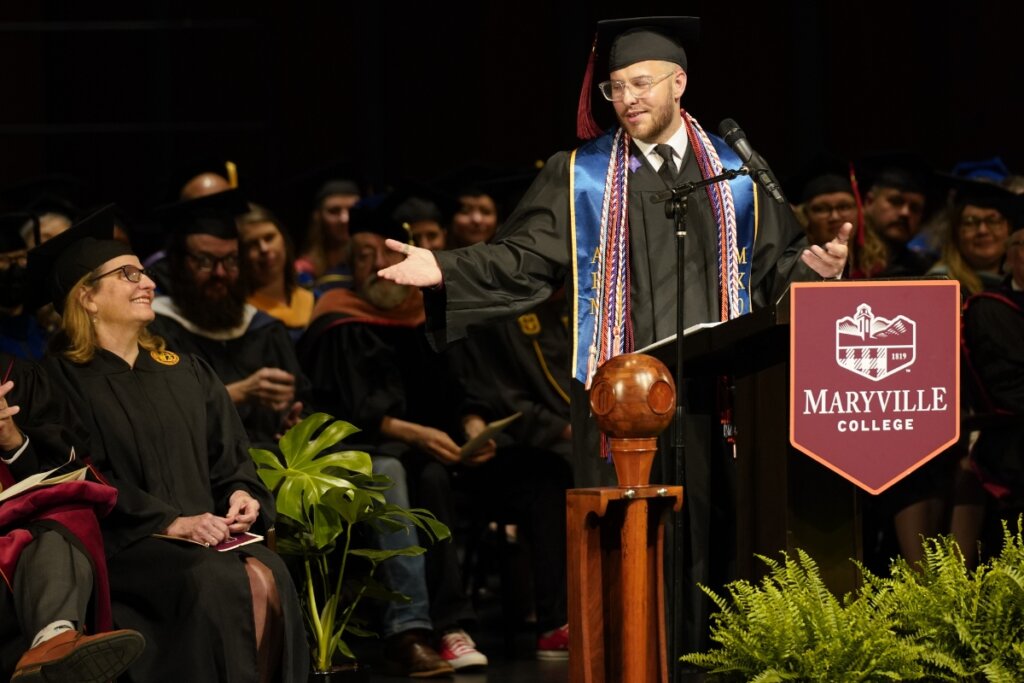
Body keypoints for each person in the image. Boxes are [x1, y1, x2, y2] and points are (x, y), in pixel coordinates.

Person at [378, 17, 850, 656]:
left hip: (717, 393)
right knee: (633, 541)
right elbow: (521, 259)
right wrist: (444, 269)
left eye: (641, 83)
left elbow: (771, 268)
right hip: (620, 400)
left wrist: (809, 271)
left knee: (716, 534)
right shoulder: (581, 176)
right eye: (614, 87)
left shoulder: (735, 169)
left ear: (678, 82)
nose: (626, 98)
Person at [27, 206, 308, 683]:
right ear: (88, 298)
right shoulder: (58, 380)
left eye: (145, 273)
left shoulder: (186, 369)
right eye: (128, 274)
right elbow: (75, 475)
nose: (149, 283)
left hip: (210, 533)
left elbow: (230, 456)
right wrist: (170, 523)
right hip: (128, 543)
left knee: (268, 573)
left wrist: (241, 494)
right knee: (218, 581)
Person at [297, 206, 492, 673]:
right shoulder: (337, 316)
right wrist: (416, 433)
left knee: (432, 478)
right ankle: (408, 630)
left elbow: (459, 389)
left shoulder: (425, 312)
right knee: (391, 471)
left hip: (425, 452)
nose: (369, 266)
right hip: (357, 450)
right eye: (359, 256)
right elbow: (344, 409)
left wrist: (473, 424)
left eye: (377, 254)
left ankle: (448, 626)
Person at [1, 353, 146, 682]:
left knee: (67, 516)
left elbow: (58, 472)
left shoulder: (16, 379)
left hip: (15, 529)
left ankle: (53, 642)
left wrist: (12, 442)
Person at [146, 190, 309, 448]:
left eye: (231, 260)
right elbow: (158, 412)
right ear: (178, 263)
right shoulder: (156, 328)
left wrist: (291, 425)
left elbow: (301, 405)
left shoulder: (265, 329)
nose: (220, 273)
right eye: (205, 261)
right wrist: (237, 393)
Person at [928, 176, 1019, 297]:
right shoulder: (939, 285)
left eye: (993, 221)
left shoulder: (1017, 283)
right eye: (970, 222)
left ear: (1009, 229)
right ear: (955, 233)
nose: (983, 230)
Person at [238, 204, 315, 338]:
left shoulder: (316, 301)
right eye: (252, 244)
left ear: (283, 239)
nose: (264, 249)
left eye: (269, 238)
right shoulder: (244, 319)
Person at [296, 179, 361, 292]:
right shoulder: (304, 270)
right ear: (319, 217)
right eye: (334, 211)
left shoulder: (379, 260)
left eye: (352, 210)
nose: (345, 219)